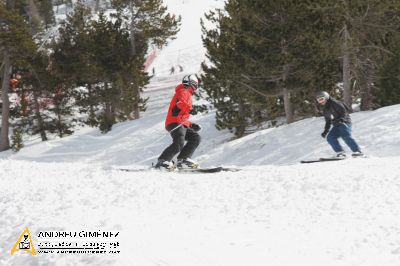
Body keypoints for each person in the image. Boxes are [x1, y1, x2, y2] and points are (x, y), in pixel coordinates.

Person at [155, 74, 202, 169]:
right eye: (196, 84)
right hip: (174, 122)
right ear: (193, 84)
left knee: (195, 137)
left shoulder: (186, 93)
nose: (196, 87)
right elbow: (181, 104)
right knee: (179, 143)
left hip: (180, 123)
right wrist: (191, 109)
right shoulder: (183, 91)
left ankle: (183, 160)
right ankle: (163, 161)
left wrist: (191, 124)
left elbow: (182, 115)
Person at [316, 91, 364, 158]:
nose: (321, 101)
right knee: (330, 137)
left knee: (345, 136)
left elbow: (344, 112)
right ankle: (340, 153)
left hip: (344, 122)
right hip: (336, 125)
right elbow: (328, 121)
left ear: (326, 97)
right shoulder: (325, 109)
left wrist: (342, 119)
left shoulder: (335, 103)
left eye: (321, 99)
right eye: (318, 100)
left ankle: (358, 151)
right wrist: (325, 131)